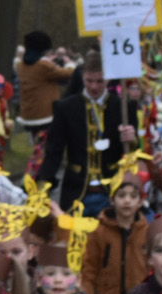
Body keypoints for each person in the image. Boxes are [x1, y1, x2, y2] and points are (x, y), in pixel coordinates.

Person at [37, 48, 134, 215]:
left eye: (99, 81)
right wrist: (42, 186)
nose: (94, 86)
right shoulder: (65, 108)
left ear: (108, 79)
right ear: (82, 77)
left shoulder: (124, 107)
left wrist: (132, 139)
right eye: (89, 81)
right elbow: (54, 151)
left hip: (112, 191)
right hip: (76, 190)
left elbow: (134, 153)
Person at [81, 173, 150, 294]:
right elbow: (89, 268)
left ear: (140, 201)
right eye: (121, 195)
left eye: (133, 196)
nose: (127, 201)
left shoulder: (146, 232)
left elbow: (151, 268)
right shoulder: (98, 231)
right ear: (112, 199)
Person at [14, 31, 73, 138]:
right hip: (45, 115)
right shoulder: (44, 65)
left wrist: (48, 62)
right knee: (45, 149)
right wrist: (69, 63)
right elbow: (67, 74)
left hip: (28, 114)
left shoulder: (21, 65)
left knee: (36, 146)